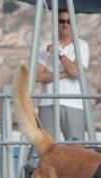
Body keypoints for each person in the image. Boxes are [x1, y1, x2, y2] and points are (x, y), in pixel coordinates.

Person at [36, 9, 89, 145]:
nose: (65, 24)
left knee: (77, 149)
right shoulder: (45, 45)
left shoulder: (82, 45)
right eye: (61, 21)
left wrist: (59, 54)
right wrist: (64, 74)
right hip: (48, 102)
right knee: (46, 148)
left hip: (73, 103)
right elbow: (38, 75)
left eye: (68, 21)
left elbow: (77, 73)